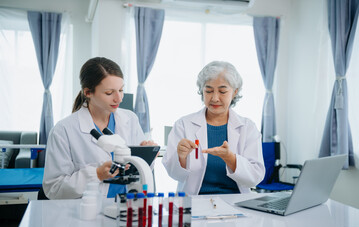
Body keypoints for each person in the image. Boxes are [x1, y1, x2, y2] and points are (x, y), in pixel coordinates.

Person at [43, 57, 155, 199]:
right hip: (87, 213)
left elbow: (139, 172)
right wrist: (96, 174)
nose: (119, 98)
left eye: (121, 90)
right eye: (109, 93)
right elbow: (54, 188)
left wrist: (146, 156)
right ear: (88, 92)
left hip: (127, 207)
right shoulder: (63, 130)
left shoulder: (130, 119)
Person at [162, 61, 265, 195]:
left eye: (222, 91)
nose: (215, 98)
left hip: (236, 203)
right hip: (194, 203)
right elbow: (175, 174)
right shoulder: (183, 124)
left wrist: (230, 158)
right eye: (209, 91)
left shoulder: (247, 127)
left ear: (235, 92)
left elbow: (255, 178)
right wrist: (181, 157)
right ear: (202, 91)